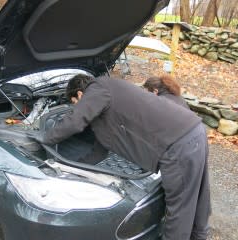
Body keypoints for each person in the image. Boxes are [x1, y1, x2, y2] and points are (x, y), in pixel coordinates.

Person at [27, 74, 211, 240]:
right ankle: (199, 236)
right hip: (193, 133)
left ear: (80, 94)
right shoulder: (109, 95)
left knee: (179, 210)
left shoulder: (99, 87)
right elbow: (99, 152)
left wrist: (45, 138)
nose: (77, 106)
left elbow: (75, 121)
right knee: (198, 195)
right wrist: (69, 169)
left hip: (178, 145)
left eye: (75, 102)